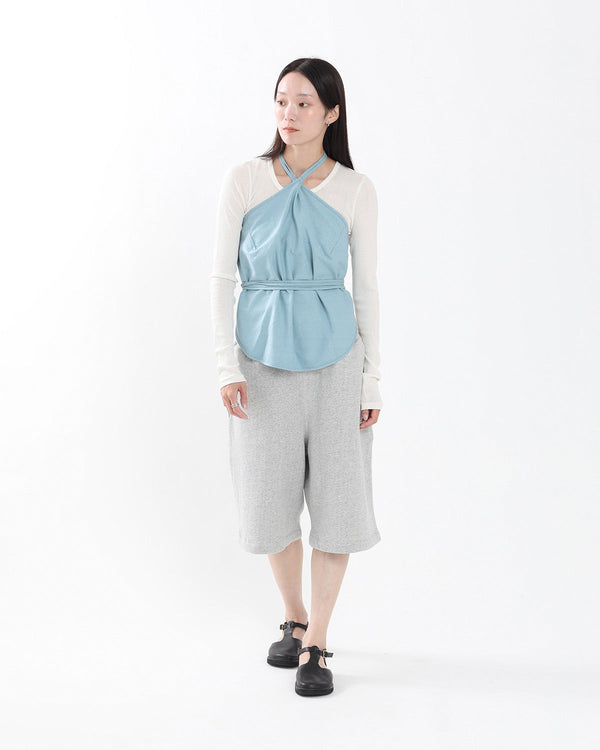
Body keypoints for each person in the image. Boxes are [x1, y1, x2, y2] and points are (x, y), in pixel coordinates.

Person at [209, 58, 383, 697]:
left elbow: (366, 289)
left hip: (338, 365)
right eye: (282, 100)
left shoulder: (356, 188)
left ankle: (317, 643)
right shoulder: (246, 178)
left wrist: (372, 379)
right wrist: (226, 366)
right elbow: (221, 277)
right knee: (269, 503)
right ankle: (294, 616)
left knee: (337, 505)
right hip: (261, 362)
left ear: (332, 113)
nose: (290, 113)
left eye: (305, 103)